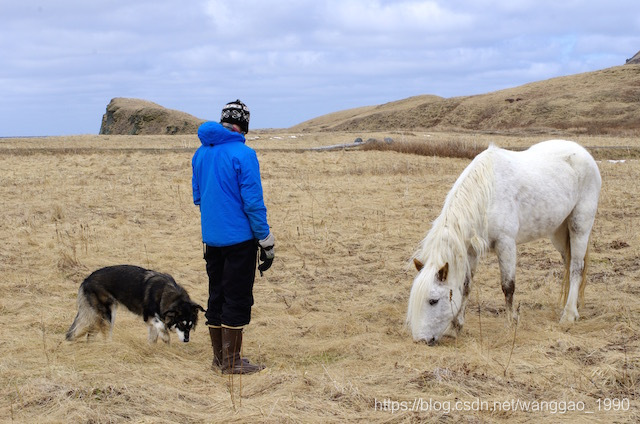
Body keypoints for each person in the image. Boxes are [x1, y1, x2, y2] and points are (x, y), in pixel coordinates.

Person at [192, 100, 274, 375]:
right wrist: (265, 238)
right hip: (239, 240)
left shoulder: (200, 154)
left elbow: (198, 197)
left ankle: (219, 359)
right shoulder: (244, 154)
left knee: (216, 295)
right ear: (244, 125)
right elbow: (252, 202)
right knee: (237, 297)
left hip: (211, 239)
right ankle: (232, 361)